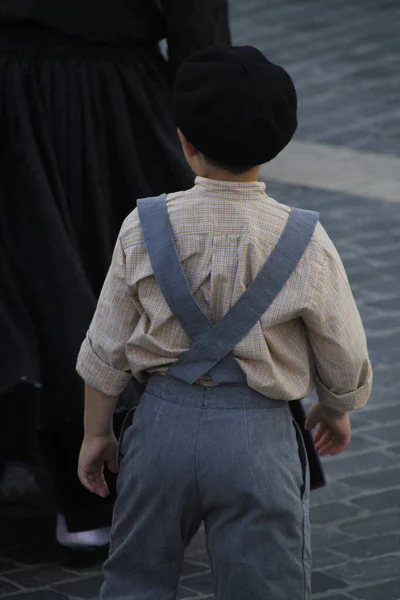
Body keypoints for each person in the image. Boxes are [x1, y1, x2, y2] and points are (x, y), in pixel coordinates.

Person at [77, 45, 372, 599]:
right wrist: (334, 409)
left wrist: (96, 434)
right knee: (264, 584)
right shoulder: (304, 240)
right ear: (280, 142)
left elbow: (106, 346)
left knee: (135, 579)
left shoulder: (143, 226)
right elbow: (344, 351)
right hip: (257, 438)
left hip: (160, 429)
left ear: (185, 141)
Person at [0, 0, 231, 547]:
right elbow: (200, 29)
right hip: (112, 100)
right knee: (118, 278)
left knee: (38, 280)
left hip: (68, 93)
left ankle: (60, 475)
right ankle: (97, 496)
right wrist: (216, 133)